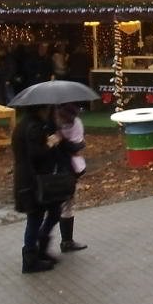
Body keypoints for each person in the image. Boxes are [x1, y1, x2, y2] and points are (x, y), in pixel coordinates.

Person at [12, 104, 71, 274]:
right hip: (32, 182)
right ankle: (30, 258)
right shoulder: (33, 127)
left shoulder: (28, 124)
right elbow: (36, 154)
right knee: (35, 218)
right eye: (47, 109)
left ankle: (40, 249)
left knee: (51, 212)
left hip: (33, 180)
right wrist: (51, 143)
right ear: (40, 109)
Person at [55, 103, 89, 252]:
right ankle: (63, 241)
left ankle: (67, 241)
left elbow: (77, 146)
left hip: (69, 169)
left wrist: (62, 140)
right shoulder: (51, 123)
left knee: (67, 203)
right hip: (55, 169)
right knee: (56, 208)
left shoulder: (75, 123)